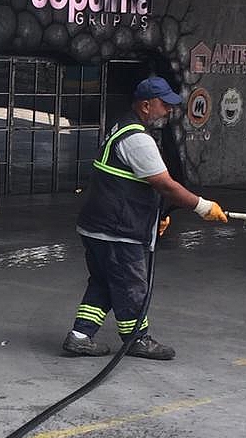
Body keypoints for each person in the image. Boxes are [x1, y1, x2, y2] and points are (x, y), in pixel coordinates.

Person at [63, 75, 231, 360]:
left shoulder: (122, 127)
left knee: (103, 282)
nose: (168, 110)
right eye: (164, 104)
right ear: (145, 105)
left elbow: (133, 183)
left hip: (98, 226)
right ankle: (136, 339)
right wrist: (202, 207)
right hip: (117, 230)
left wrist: (156, 217)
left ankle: (80, 336)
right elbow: (165, 185)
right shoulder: (137, 139)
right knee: (131, 285)